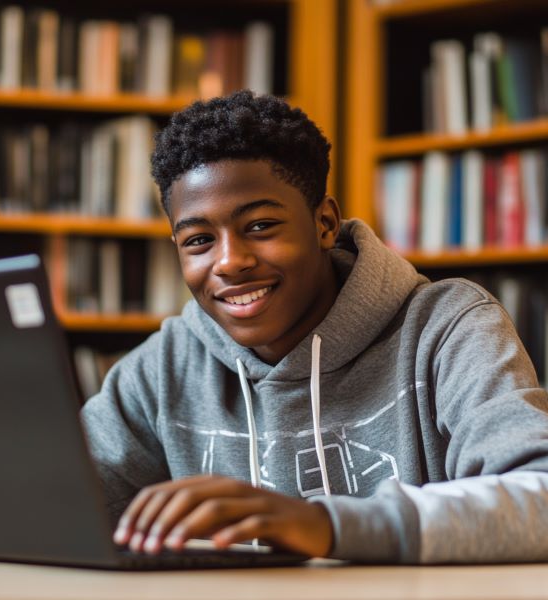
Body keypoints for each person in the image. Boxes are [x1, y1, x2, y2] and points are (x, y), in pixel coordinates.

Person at [81, 90, 548, 563]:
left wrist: (326, 525)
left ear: (324, 223)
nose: (229, 262)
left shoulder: (448, 329)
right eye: (199, 240)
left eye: (261, 226)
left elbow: (540, 501)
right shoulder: (165, 366)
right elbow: (46, 504)